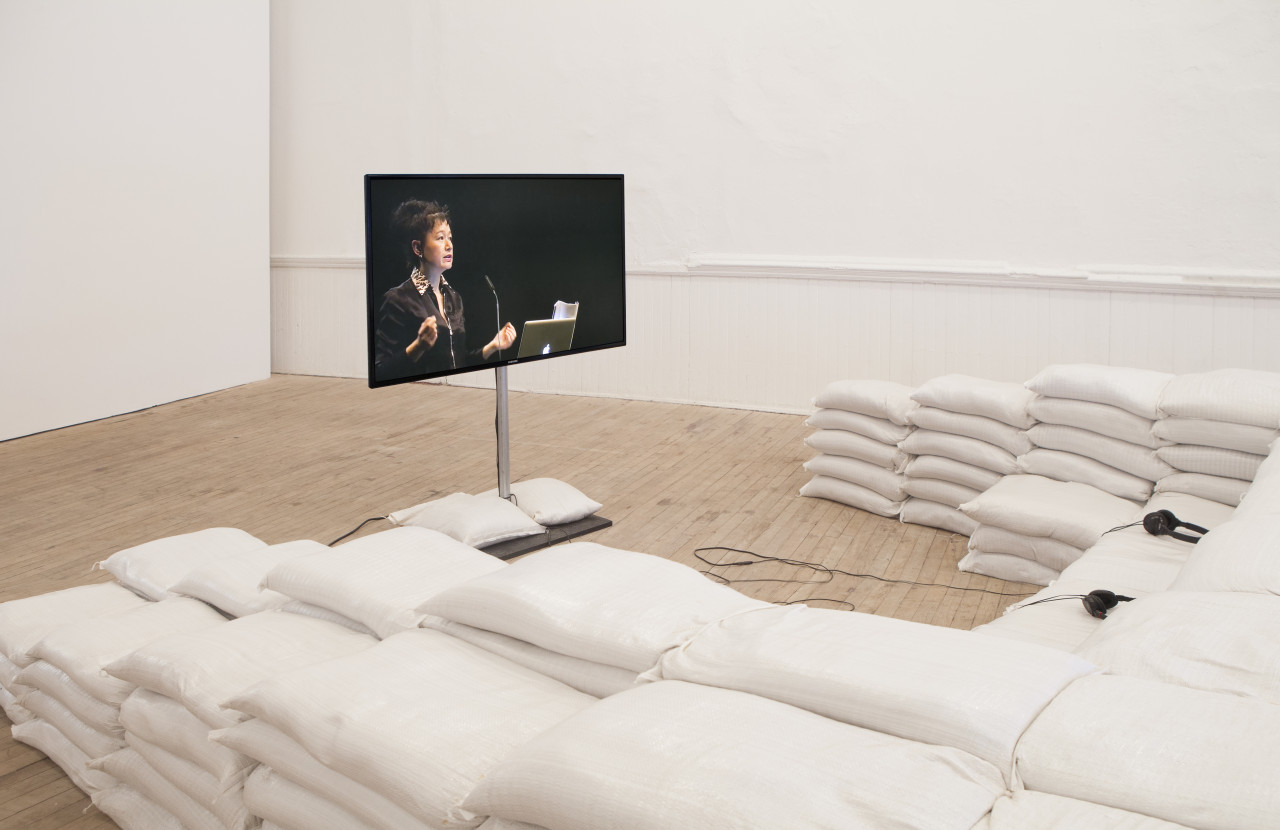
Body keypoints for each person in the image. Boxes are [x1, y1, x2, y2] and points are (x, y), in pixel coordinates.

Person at [374, 200, 516, 380]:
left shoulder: (454, 298)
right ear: (417, 247)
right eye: (440, 238)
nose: (449, 245)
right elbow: (382, 371)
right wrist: (418, 346)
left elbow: (458, 362)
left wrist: (493, 346)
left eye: (450, 237)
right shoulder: (398, 299)